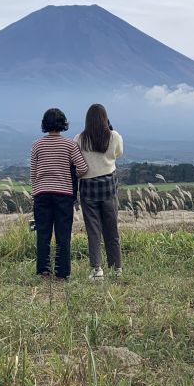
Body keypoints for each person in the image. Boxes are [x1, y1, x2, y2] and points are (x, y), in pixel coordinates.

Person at [31, 108, 88, 279]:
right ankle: (62, 273)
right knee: (63, 235)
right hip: (63, 194)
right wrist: (68, 174)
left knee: (43, 234)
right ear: (63, 124)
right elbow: (83, 168)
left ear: (44, 124)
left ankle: (43, 271)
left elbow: (33, 174)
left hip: (42, 194)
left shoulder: (37, 145)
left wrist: (37, 191)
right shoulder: (70, 145)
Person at [75, 104, 124, 279]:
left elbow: (76, 162)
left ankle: (97, 269)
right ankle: (116, 268)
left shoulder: (79, 139)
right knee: (112, 229)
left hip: (88, 188)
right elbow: (118, 153)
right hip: (108, 187)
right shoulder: (114, 136)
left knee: (93, 230)